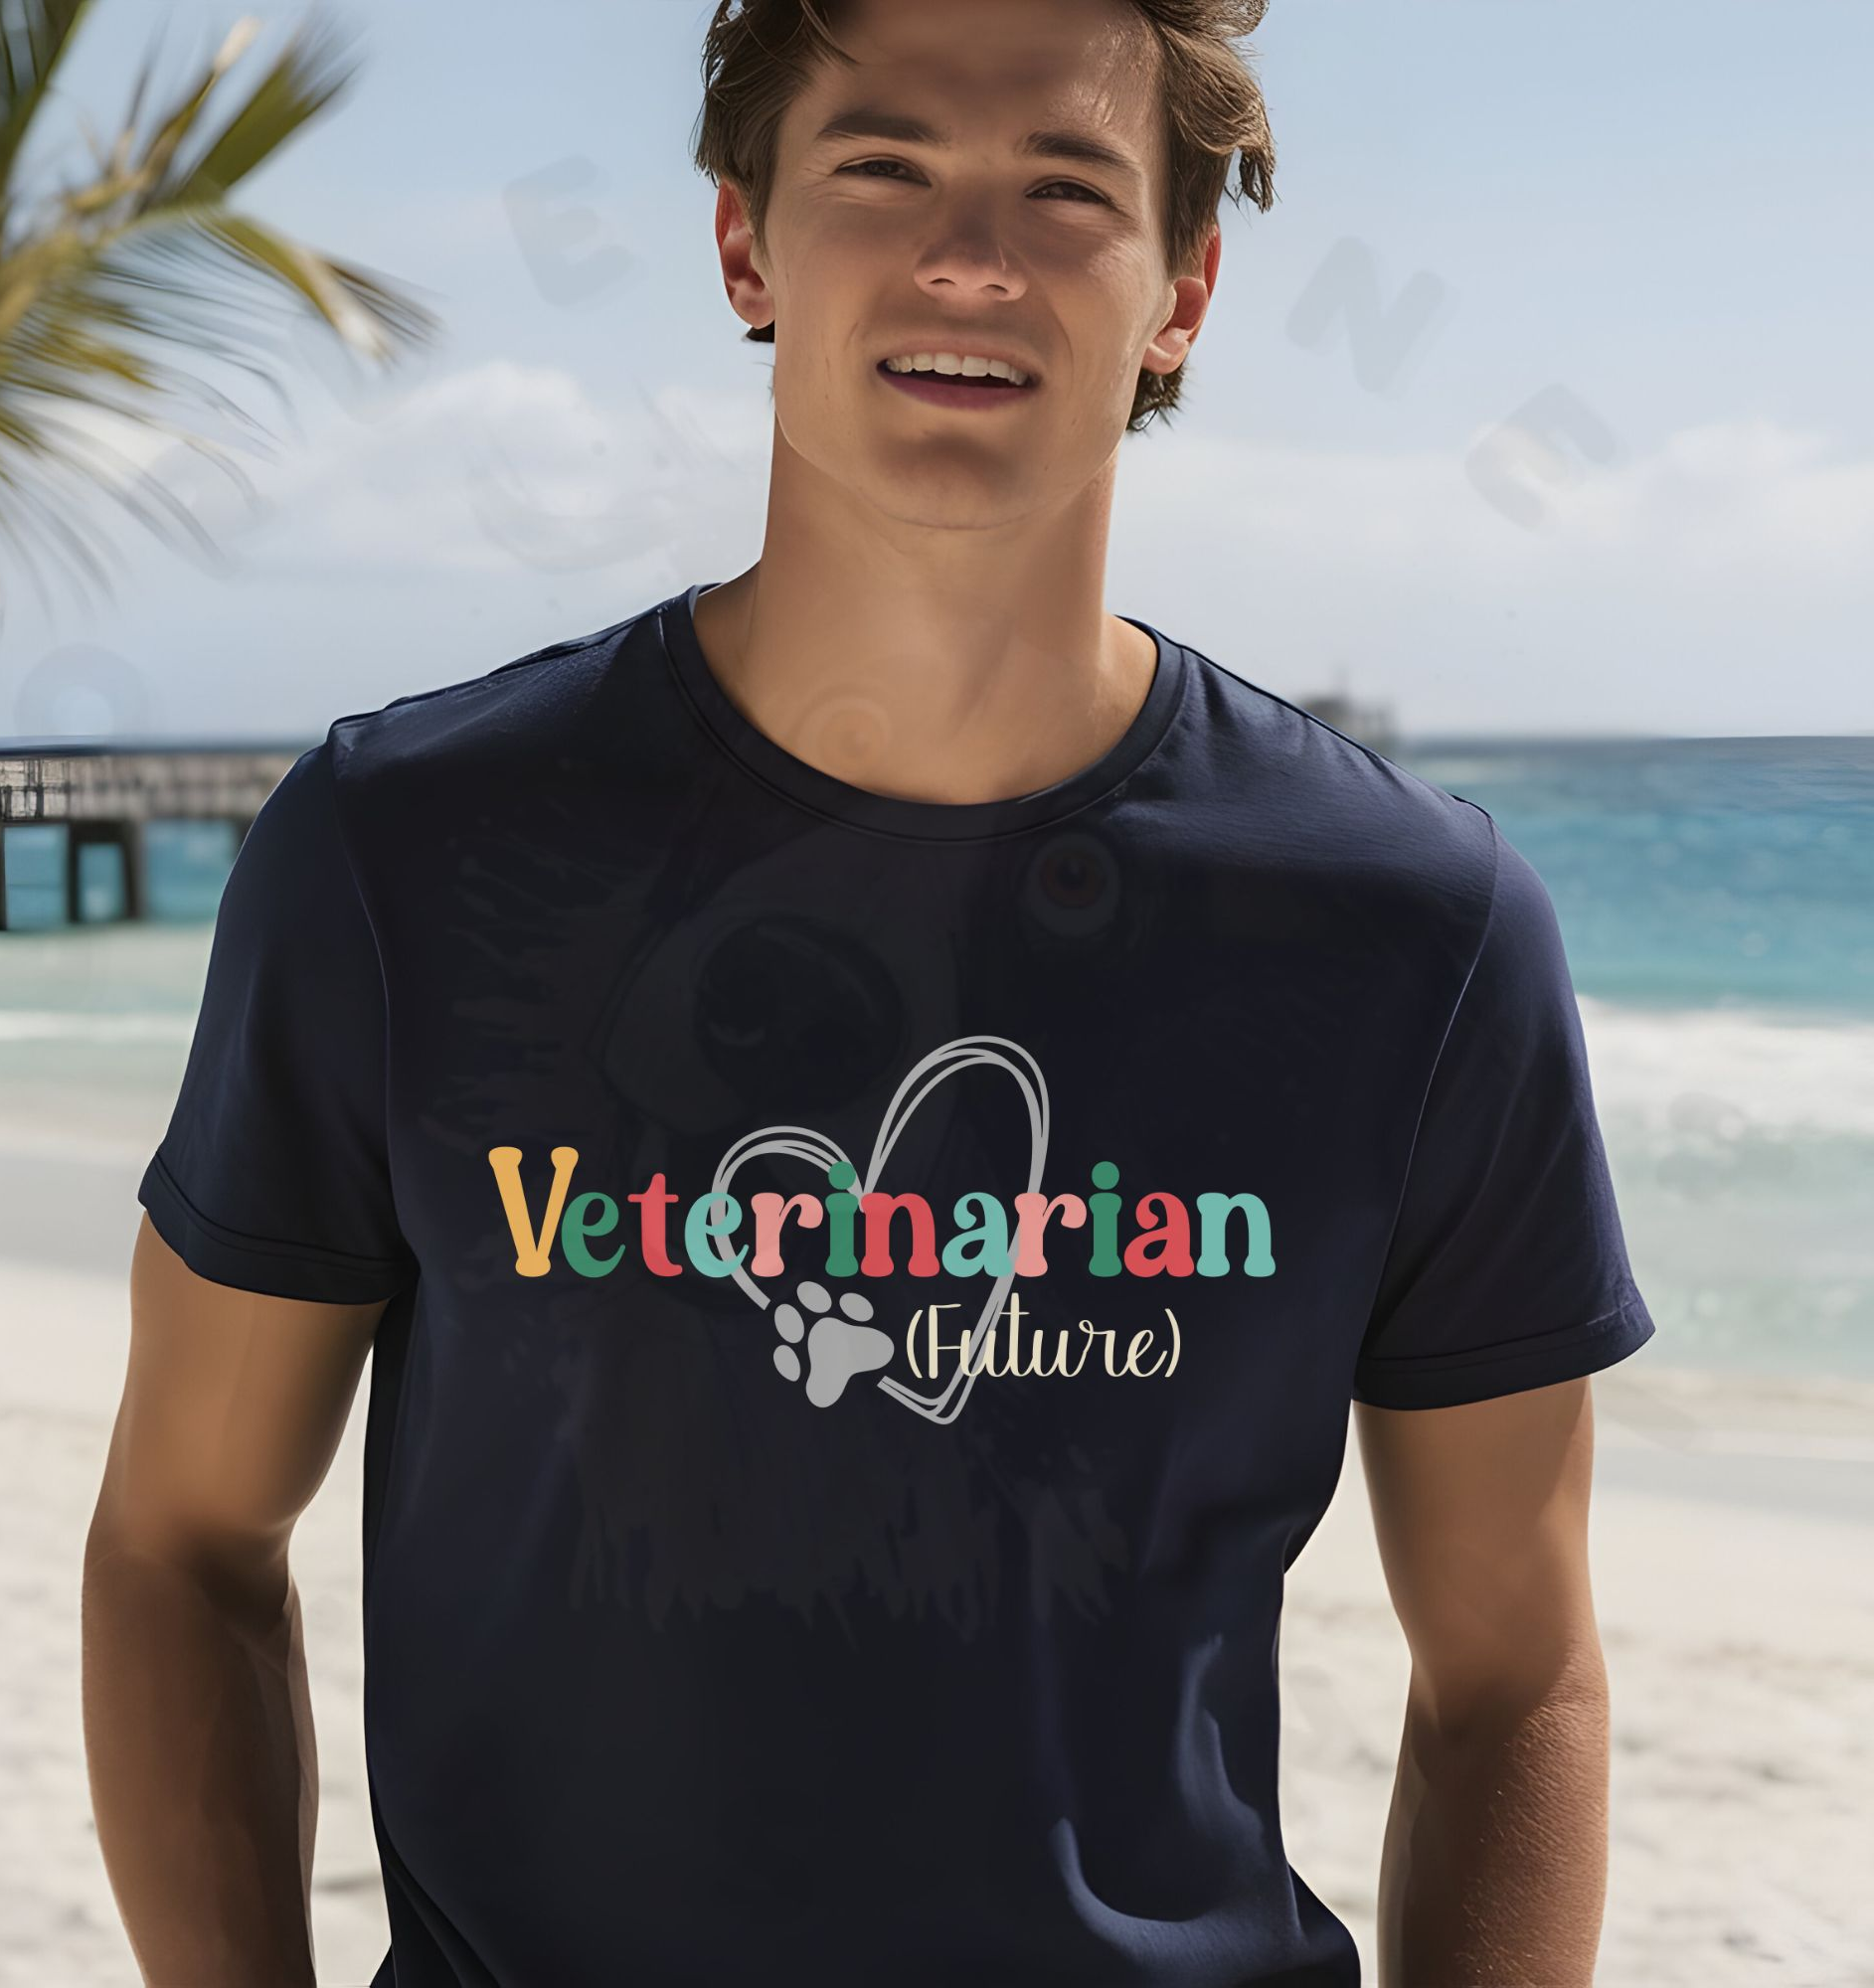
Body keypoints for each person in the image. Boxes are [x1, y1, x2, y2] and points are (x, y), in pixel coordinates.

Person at [82, 2, 1656, 1982]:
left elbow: (1516, 1675)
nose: (968, 255)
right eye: (882, 170)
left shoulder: (1410, 932)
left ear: (1184, 285)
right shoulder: (408, 855)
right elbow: (181, 1539)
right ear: (744, 241)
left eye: (1064, 191)